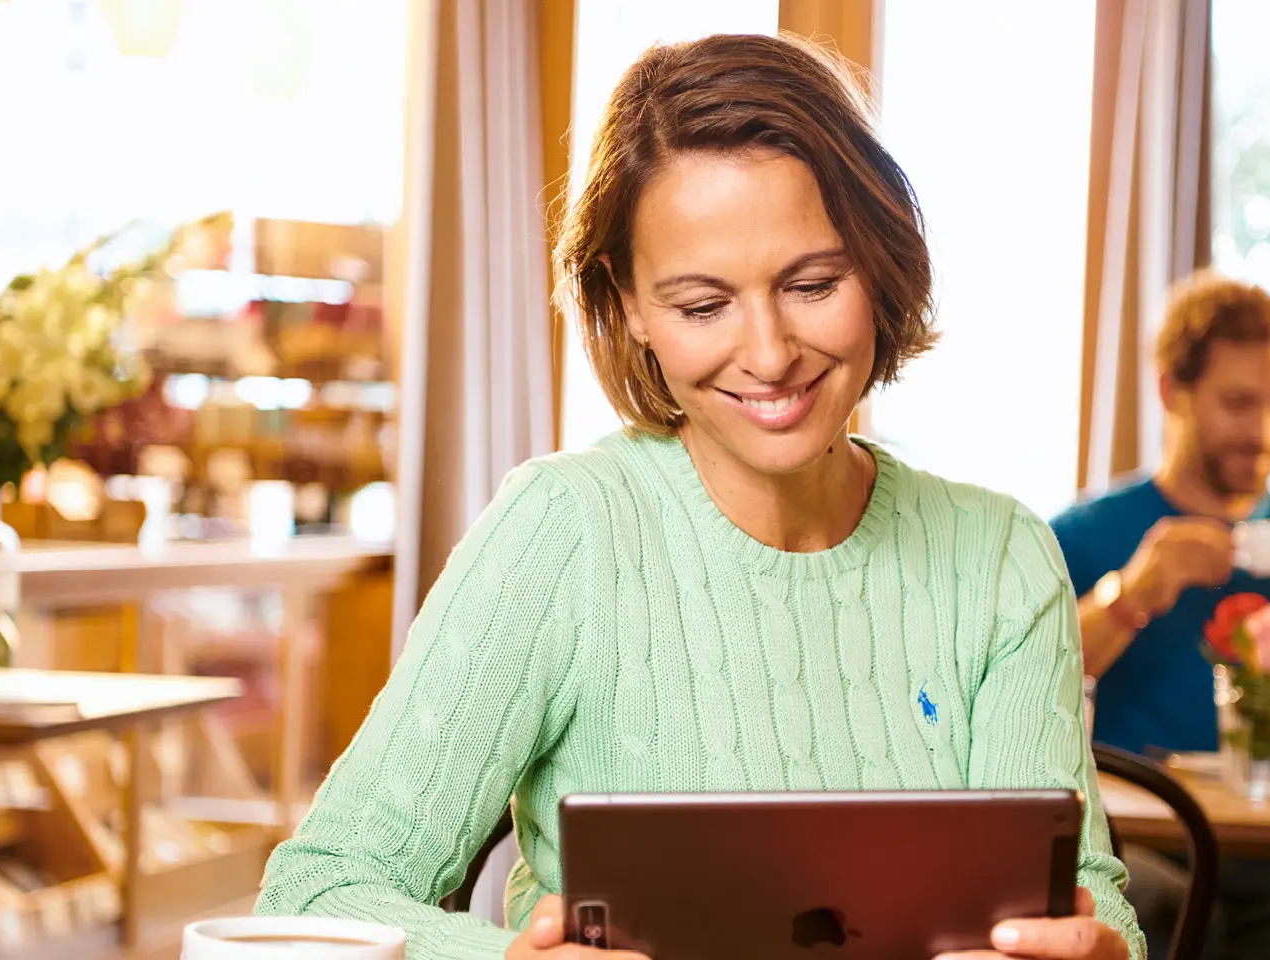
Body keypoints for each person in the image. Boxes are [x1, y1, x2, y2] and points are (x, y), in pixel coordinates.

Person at [255, 33, 1142, 960]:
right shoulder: (567, 531)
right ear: (629, 304)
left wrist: (1098, 949)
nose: (768, 354)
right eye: (702, 305)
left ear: (877, 264)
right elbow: (315, 893)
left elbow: (1086, 901)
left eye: (811, 284)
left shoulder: (999, 558)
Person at [1047, 273, 1270, 960]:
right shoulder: (1083, 537)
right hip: (1130, 857)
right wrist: (1133, 594)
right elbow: (1027, 687)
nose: (1264, 431)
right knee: (1174, 913)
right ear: (1170, 393)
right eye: (1239, 403)